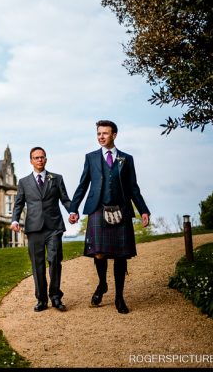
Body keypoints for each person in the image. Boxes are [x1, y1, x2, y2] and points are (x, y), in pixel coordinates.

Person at [68, 120, 150, 314]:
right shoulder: (91, 158)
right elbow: (82, 185)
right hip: (98, 208)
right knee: (98, 253)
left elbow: (133, 188)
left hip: (121, 209)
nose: (101, 137)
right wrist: (73, 209)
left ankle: (119, 297)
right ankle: (103, 283)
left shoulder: (126, 159)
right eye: (98, 133)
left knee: (121, 256)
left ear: (114, 135)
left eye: (105, 133)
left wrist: (144, 210)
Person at [11, 146, 73, 312]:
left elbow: (65, 199)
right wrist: (15, 220)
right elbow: (19, 203)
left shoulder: (56, 179)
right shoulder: (24, 182)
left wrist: (72, 211)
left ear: (46, 159)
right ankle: (41, 300)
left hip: (54, 227)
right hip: (34, 228)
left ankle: (56, 297)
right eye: (36, 158)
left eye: (42, 157)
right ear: (31, 161)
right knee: (37, 265)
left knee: (54, 261)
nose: (39, 160)